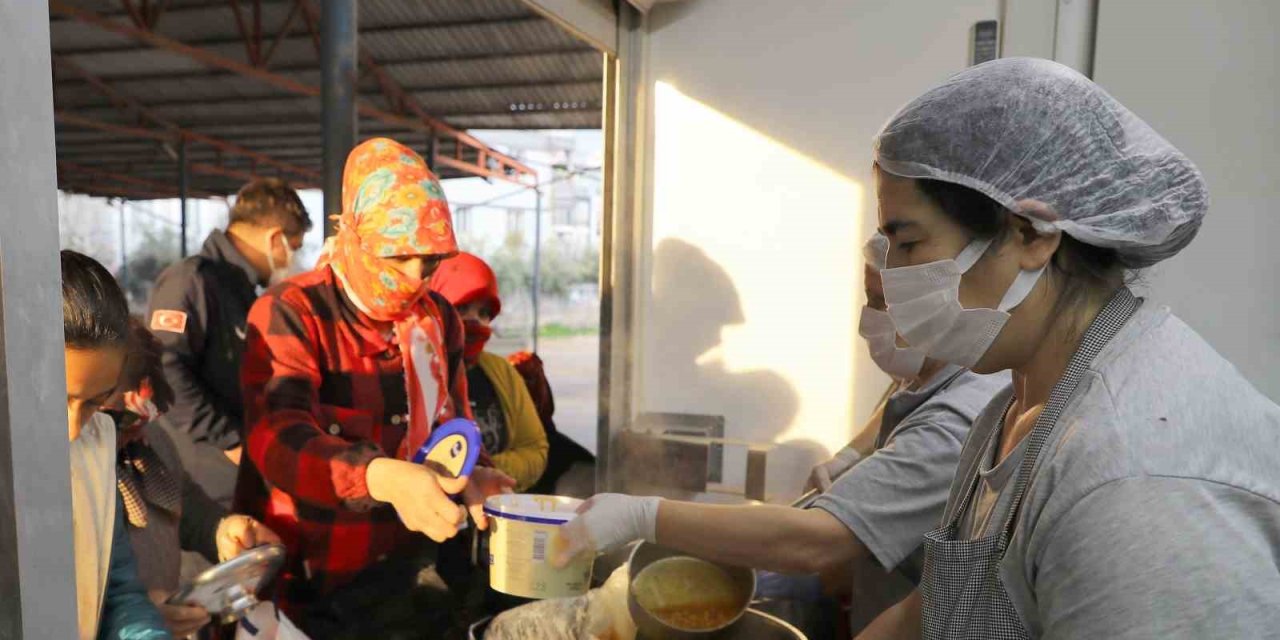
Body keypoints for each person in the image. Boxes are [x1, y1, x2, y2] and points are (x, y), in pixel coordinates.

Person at [857, 58, 1280, 639]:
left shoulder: (1135, 477)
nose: (893, 276)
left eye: (906, 243)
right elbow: (944, 605)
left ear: (1031, 236)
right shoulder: (1019, 403)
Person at [553, 238, 1009, 634]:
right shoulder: (941, 365)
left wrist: (641, 516)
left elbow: (816, 540)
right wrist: (853, 452)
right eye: (868, 299)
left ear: (936, 303)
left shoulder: (961, 421)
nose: (870, 318)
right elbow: (906, 395)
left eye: (881, 303)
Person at [236, 137, 514, 638]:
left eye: (429, 262)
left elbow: (455, 420)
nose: (414, 278)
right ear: (357, 236)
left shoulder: (438, 320)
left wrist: (477, 476)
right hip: (313, 577)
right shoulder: (293, 312)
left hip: (409, 567)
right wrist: (381, 478)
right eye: (398, 258)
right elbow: (277, 438)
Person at [106, 317, 281, 637]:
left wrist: (222, 529)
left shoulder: (149, 439)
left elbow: (180, 500)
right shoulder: (70, 471)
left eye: (147, 419)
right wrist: (136, 614)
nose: (138, 434)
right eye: (125, 420)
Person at [148, 178, 311, 509]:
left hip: (237, 474)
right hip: (203, 480)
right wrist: (230, 438)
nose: (291, 259)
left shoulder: (239, 289)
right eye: (293, 247)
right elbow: (164, 367)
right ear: (275, 239)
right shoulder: (192, 281)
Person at [61, 249, 170, 640]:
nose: (74, 428)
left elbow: (118, 593)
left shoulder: (98, 445)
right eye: (60, 398)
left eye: (94, 402)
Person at [428, 252, 549, 491]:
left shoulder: (501, 372)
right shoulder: (414, 373)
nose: (475, 322)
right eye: (461, 308)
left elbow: (535, 449)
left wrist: (480, 471)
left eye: (483, 313)